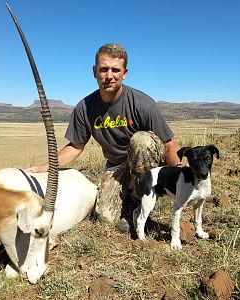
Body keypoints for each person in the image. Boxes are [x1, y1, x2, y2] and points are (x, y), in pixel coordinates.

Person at [27, 43, 182, 233]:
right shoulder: (84, 107)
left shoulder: (142, 103)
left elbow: (168, 145)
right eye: (104, 69)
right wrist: (47, 166)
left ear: (124, 73)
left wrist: (182, 171)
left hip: (146, 164)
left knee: (141, 141)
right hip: (116, 168)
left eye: (115, 70)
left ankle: (140, 203)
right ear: (94, 72)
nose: (109, 76)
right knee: (105, 217)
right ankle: (129, 201)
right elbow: (75, 147)